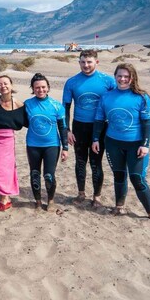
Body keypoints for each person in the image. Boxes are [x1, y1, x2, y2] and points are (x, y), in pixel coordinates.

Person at [92, 64, 150, 227]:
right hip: (113, 143)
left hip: (135, 144)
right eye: (119, 76)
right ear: (115, 76)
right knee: (119, 176)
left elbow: (147, 123)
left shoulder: (141, 97)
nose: (122, 79)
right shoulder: (106, 97)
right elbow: (99, 119)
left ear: (132, 78)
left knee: (137, 179)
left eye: (126, 76)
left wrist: (145, 144)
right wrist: (96, 139)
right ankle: (119, 207)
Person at [62, 49, 116, 208]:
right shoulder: (71, 82)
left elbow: (115, 103)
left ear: (96, 62)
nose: (86, 65)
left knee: (96, 163)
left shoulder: (108, 81)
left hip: (99, 128)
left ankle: (97, 196)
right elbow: (66, 107)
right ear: (79, 62)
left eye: (89, 62)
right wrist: (67, 130)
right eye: (83, 62)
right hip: (79, 127)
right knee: (80, 162)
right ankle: (81, 193)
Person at [24, 73, 69, 212]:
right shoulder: (27, 104)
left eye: (43, 87)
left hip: (52, 145)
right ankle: (37, 202)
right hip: (33, 145)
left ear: (48, 87)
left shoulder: (56, 106)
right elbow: (20, 121)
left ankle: (50, 201)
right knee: (35, 173)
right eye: (37, 87)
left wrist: (65, 147)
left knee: (49, 175)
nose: (40, 90)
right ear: (32, 88)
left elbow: (62, 127)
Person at [0, 75, 26, 210]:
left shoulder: (20, 104)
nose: (3, 86)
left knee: (7, 169)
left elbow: (26, 122)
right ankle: (4, 195)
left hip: (8, 139)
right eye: (0, 84)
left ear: (11, 85)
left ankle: (5, 198)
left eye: (5, 83)